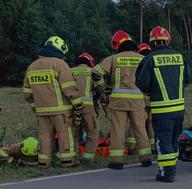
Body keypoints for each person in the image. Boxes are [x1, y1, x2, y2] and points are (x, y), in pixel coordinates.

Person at [136, 26, 190, 183]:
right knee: (173, 139)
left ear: (152, 43)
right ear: (168, 40)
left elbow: (142, 83)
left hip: (161, 109)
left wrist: (152, 91)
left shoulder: (149, 59)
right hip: (179, 109)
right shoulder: (180, 57)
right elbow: (187, 79)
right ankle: (171, 167)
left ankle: (167, 173)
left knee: (163, 140)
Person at [93, 30, 152, 170]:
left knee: (118, 130)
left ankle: (117, 161)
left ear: (119, 45)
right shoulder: (142, 59)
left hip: (118, 102)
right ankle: (146, 159)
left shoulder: (114, 58)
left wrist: (103, 88)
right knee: (140, 129)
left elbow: (95, 72)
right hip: (138, 101)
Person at [23, 36, 84, 168]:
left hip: (41, 112)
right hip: (61, 111)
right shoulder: (60, 65)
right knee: (65, 135)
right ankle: (68, 161)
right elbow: (69, 88)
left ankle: (44, 162)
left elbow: (27, 94)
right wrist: (79, 106)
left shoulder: (31, 67)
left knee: (44, 137)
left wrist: (36, 108)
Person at [127, 43, 155, 154]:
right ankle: (152, 147)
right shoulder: (151, 61)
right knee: (151, 123)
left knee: (136, 122)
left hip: (139, 98)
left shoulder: (137, 62)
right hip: (152, 98)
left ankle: (131, 147)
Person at [71, 52, 100, 162]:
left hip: (73, 108)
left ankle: (74, 156)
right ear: (90, 62)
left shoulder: (69, 71)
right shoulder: (92, 72)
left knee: (75, 133)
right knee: (92, 132)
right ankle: (88, 158)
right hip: (88, 108)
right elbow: (100, 88)